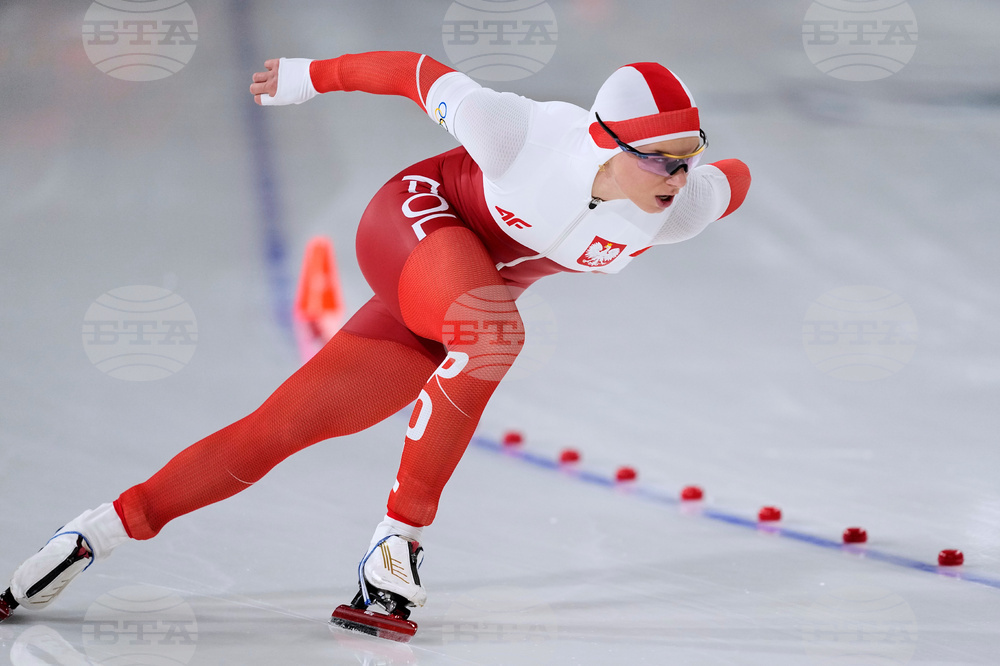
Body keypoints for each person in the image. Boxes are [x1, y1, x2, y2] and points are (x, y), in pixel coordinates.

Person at [1, 51, 750, 624]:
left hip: (451, 296)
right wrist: (306, 77)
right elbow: (415, 73)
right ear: (606, 141)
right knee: (492, 333)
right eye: (661, 158)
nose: (679, 176)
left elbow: (734, 179)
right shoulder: (519, 134)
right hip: (412, 223)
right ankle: (398, 543)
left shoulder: (682, 208)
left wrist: (711, 168)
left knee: (281, 427)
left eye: (690, 156)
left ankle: (93, 534)